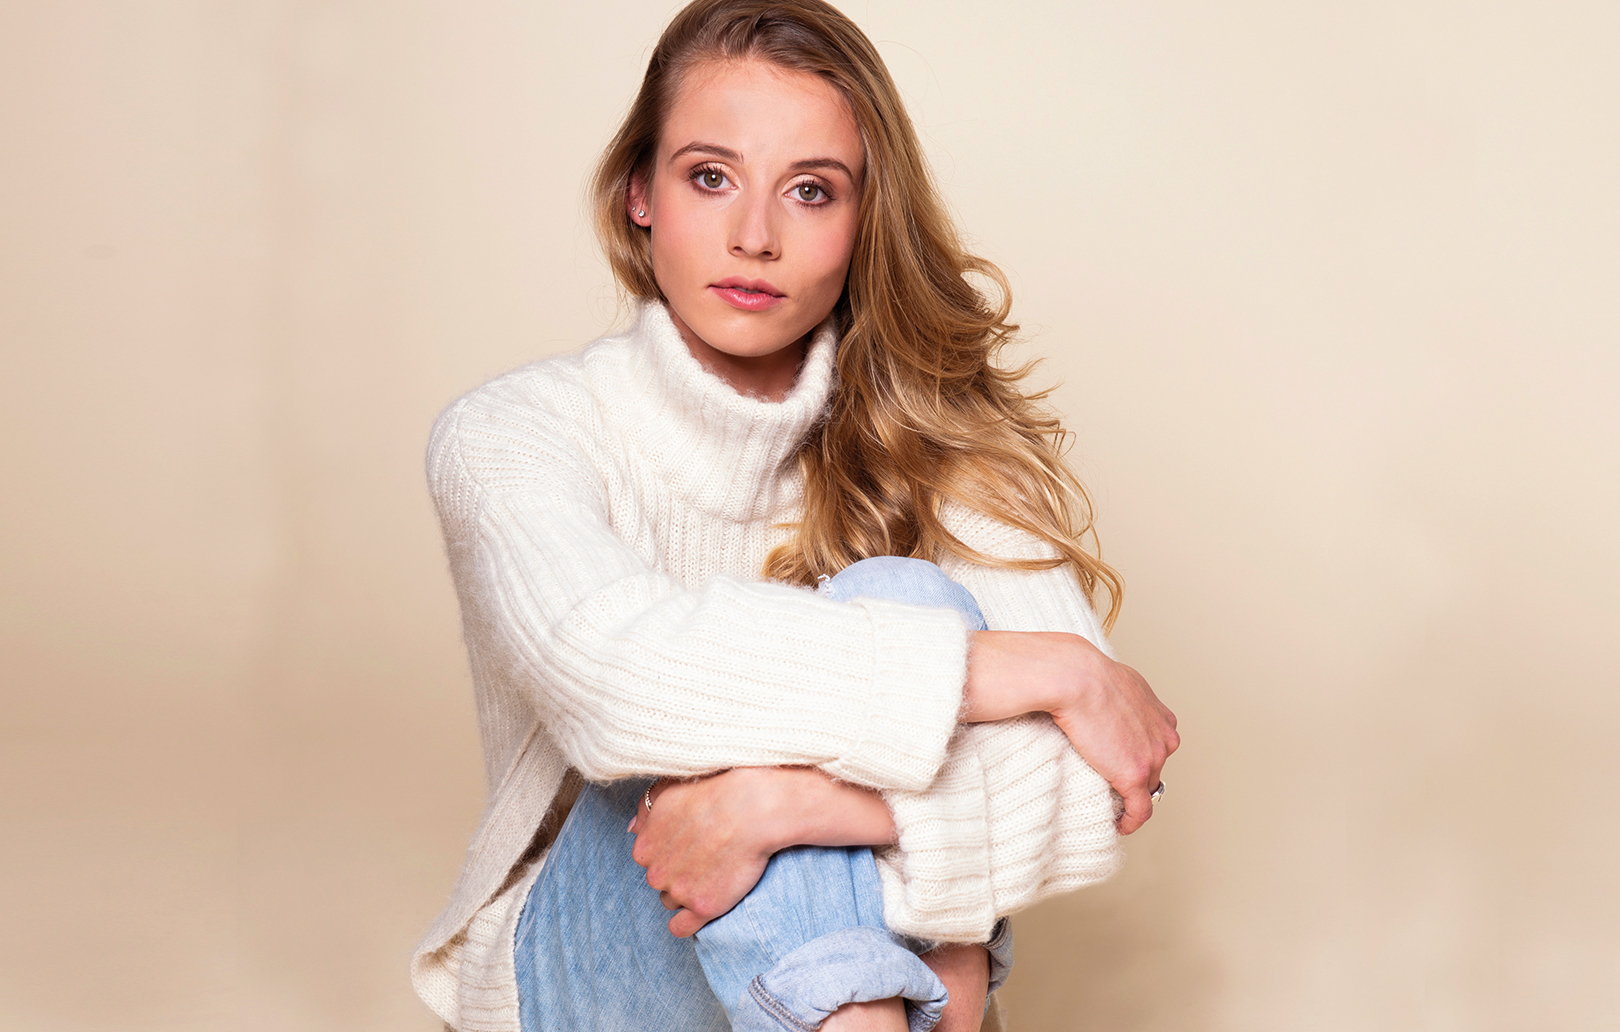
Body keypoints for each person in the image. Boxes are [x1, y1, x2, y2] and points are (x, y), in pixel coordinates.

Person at [410, 1, 1179, 1030]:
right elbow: (618, 680)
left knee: (897, 594)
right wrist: (1028, 670)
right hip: (597, 975)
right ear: (640, 193)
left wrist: (790, 807)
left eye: (810, 191)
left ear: (864, 222)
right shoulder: (512, 434)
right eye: (710, 177)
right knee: (730, 718)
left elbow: (1100, 781)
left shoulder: (938, 438)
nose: (754, 237)